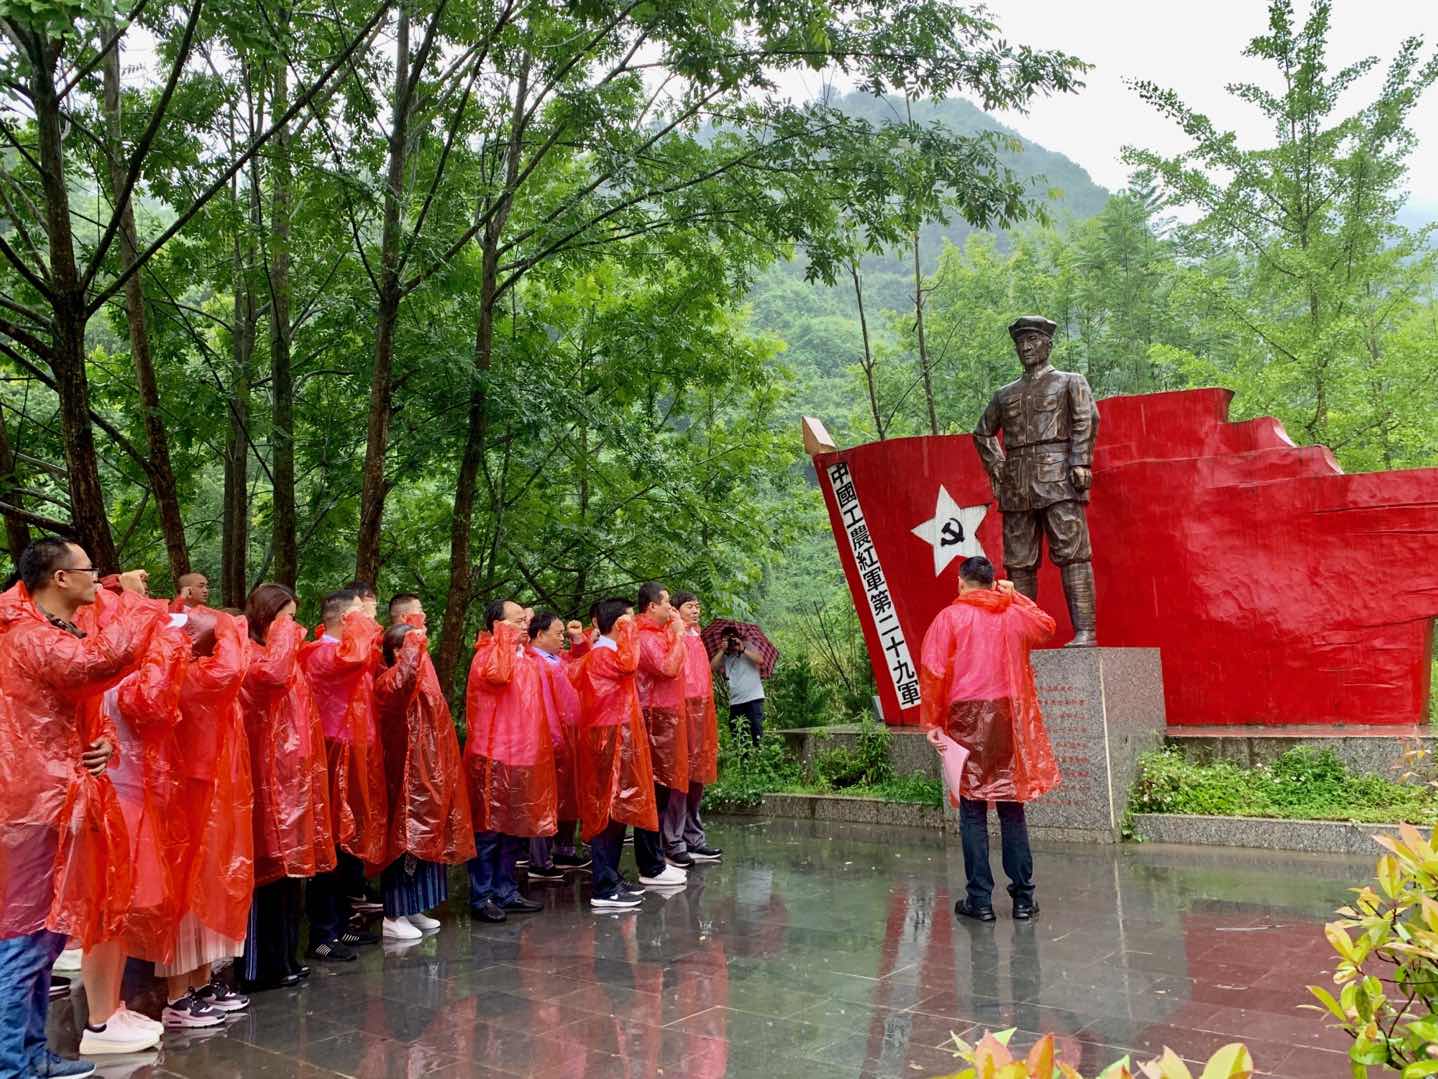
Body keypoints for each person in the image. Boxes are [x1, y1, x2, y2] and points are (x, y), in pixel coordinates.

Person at [0, 539, 164, 1079]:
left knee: (45, 937)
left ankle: (31, 1054)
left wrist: (101, 746)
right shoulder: (29, 637)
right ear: (60, 579)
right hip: (31, 807)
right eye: (90, 569)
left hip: (54, 798)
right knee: (24, 938)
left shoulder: (49, 635)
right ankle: (13, 1064)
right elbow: (103, 660)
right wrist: (139, 603)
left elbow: (76, 707)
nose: (101, 578)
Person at [918, 555, 1059, 923]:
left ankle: (979, 900)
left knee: (972, 809)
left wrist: (932, 721)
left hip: (965, 716)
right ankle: (1023, 899)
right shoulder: (1011, 613)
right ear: (993, 582)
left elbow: (934, 670)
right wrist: (1016, 598)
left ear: (962, 582)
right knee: (1012, 804)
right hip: (1008, 715)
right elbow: (1046, 627)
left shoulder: (949, 618)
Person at [973, 314, 1100, 645]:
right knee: (1019, 562)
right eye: (1020, 343)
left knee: (1072, 552)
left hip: (1058, 475)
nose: (1026, 347)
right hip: (1017, 482)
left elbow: (1087, 419)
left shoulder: (1070, 382)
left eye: (1032, 341)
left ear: (1048, 344)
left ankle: (1085, 631)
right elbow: (983, 432)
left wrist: (1080, 461)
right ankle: (1025, 634)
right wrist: (998, 466)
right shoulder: (1005, 394)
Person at [156, 607, 255, 1028]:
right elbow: (231, 668)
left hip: (211, 795)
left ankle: (198, 983)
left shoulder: (198, 675)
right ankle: (177, 996)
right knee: (186, 897)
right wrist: (230, 628)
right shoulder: (192, 677)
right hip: (188, 798)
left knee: (208, 894)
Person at [239, 583, 335, 991]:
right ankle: (262, 966)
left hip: (291, 781)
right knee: (267, 875)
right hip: (263, 781)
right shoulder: (252, 654)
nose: (293, 627)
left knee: (289, 875)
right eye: (287, 617)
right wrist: (281, 636)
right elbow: (270, 680)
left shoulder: (284, 656)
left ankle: (284, 957)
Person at [375, 621, 475, 940]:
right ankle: (394, 913)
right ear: (396, 651)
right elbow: (402, 681)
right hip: (405, 778)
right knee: (405, 845)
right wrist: (412, 646)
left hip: (427, 775)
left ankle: (414, 905)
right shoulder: (388, 680)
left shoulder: (423, 681)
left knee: (426, 845)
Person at [300, 589, 386, 960]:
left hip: (354, 755)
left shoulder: (348, 651)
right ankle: (322, 934)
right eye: (357, 612)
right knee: (331, 845)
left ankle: (341, 924)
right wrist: (363, 620)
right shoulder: (322, 653)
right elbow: (356, 655)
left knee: (348, 845)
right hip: (332, 756)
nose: (366, 617)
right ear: (340, 617)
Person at [464, 599, 553, 923]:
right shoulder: (487, 656)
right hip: (493, 756)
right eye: (515, 621)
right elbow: (498, 676)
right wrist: (503, 637)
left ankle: (505, 890)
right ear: (497, 626)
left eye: (523, 621)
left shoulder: (525, 659)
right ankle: (482, 895)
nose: (523, 626)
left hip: (523, 756)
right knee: (488, 831)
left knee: (514, 829)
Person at [572, 599, 658, 911]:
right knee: (606, 813)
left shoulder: (609, 653)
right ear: (617, 624)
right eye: (629, 622)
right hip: (607, 741)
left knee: (617, 811)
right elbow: (631, 664)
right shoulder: (605, 655)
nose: (634, 627)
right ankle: (603, 887)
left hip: (617, 740)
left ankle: (611, 878)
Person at [524, 612, 590, 880]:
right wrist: (553, 739)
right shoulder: (534, 661)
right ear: (540, 635)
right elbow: (545, 707)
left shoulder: (553, 658)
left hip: (567, 736)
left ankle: (563, 848)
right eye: (558, 633)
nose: (561, 638)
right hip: (551, 739)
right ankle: (539, 860)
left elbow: (578, 667)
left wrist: (578, 642)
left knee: (566, 796)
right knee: (544, 800)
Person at [633, 582, 690, 884]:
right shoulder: (644, 637)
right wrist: (679, 634)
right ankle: (650, 866)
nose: (671, 608)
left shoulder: (657, 634)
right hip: (654, 721)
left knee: (663, 792)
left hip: (665, 721)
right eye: (666, 602)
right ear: (651, 606)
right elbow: (667, 668)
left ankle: (656, 860)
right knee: (653, 793)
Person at [662, 592, 723, 865]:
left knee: (697, 775)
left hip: (702, 712)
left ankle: (694, 838)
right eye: (690, 606)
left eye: (698, 606)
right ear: (675, 610)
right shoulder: (671, 635)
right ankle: (673, 842)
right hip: (681, 712)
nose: (696, 610)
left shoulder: (696, 635)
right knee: (680, 778)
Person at [712, 627, 766, 743]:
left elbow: (760, 660)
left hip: (754, 698)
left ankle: (758, 757)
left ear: (738, 637)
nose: (731, 641)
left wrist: (743, 649)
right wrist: (722, 650)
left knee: (757, 734)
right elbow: (712, 667)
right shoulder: (724, 654)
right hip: (736, 701)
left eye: (732, 637)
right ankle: (743, 759)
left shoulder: (747, 645)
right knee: (738, 737)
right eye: (727, 639)